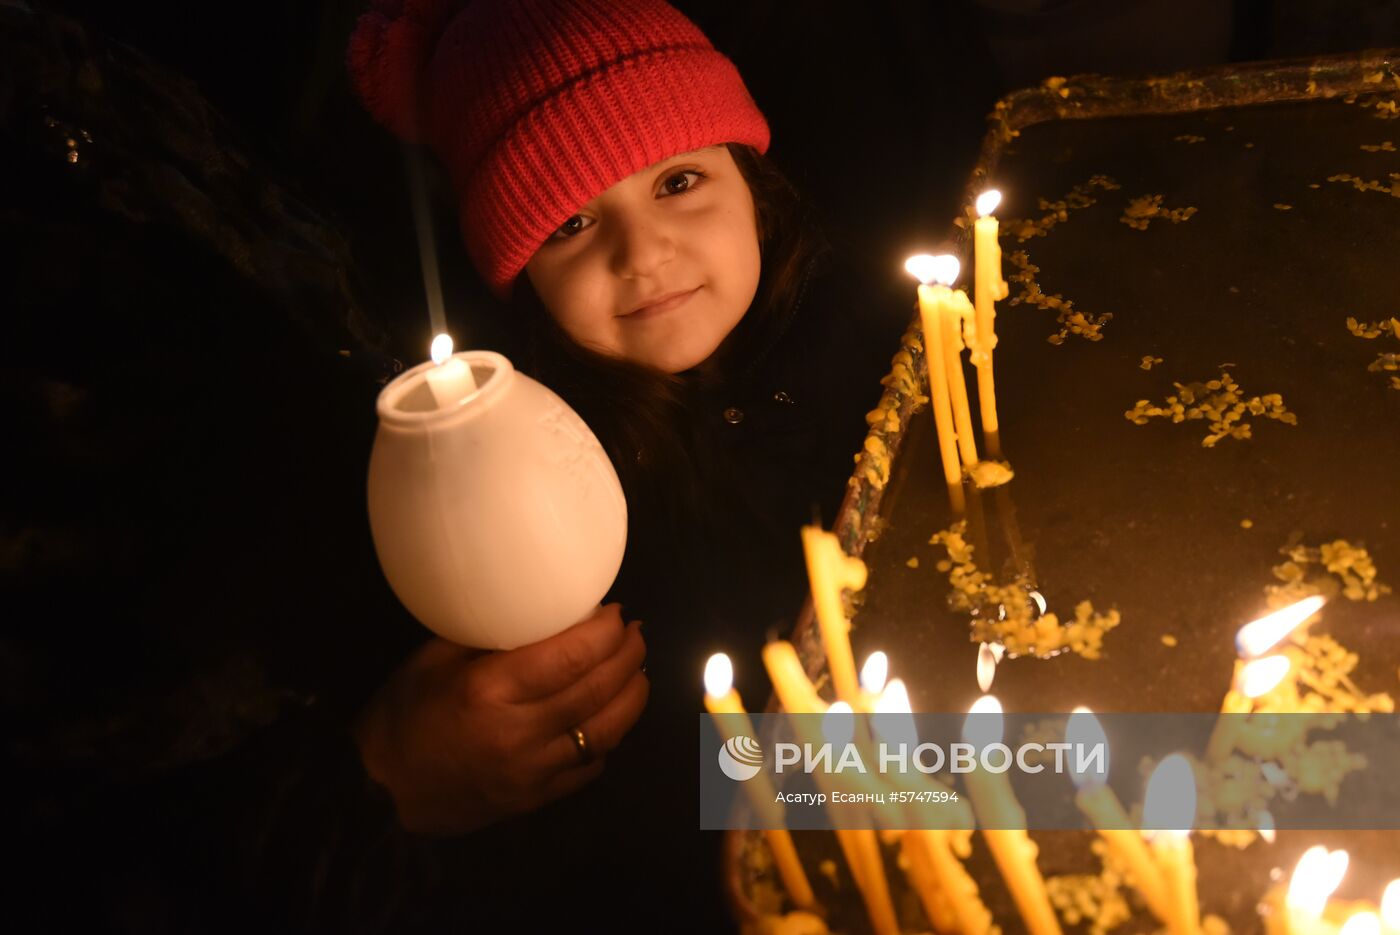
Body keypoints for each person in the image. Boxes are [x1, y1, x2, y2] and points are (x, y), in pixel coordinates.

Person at [344, 0, 910, 928]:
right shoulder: (546, 483)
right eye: (569, 223)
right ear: (520, 273)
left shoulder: (875, 336)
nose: (643, 253)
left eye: (679, 180)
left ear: (752, 185)